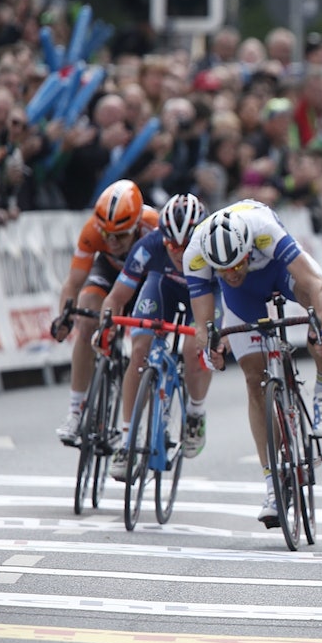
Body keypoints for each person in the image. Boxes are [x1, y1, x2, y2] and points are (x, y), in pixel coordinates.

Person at [186, 202, 322, 526]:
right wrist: (210, 347)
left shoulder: (263, 229)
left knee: (318, 303)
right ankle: (272, 483)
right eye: (223, 270)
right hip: (242, 299)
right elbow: (203, 324)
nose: (231, 273)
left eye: (236, 265)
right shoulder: (196, 253)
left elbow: (317, 284)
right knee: (254, 380)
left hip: (276, 272)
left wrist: (318, 328)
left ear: (247, 249)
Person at [101, 194, 214, 479]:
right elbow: (117, 296)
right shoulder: (148, 246)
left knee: (194, 348)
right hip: (162, 287)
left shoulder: (212, 249)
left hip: (204, 296)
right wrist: (107, 324)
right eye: (172, 244)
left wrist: (210, 335)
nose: (178, 251)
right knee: (138, 351)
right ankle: (128, 443)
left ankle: (195, 413)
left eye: (186, 245)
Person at [52, 180, 160, 445]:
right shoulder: (92, 230)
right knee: (86, 317)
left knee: (141, 345)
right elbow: (73, 283)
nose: (112, 241)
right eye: (107, 235)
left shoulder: (153, 226)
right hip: (110, 273)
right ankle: (75, 411)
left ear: (136, 225)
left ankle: (132, 424)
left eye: (121, 235)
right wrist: (64, 317)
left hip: (144, 280)